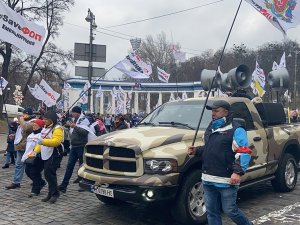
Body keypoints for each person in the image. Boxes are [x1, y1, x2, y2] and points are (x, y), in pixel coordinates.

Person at [188, 100, 253, 225]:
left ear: (226, 112)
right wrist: (196, 150)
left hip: (226, 180)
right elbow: (210, 148)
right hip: (207, 178)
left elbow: (244, 151)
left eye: (216, 111)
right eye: (212, 111)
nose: (213, 113)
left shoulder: (236, 129)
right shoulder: (210, 127)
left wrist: (237, 172)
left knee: (230, 211)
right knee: (212, 212)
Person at [32, 110, 64, 203]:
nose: (44, 121)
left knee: (50, 173)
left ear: (51, 119)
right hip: (46, 152)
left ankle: (55, 193)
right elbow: (40, 141)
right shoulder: (46, 128)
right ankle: (51, 193)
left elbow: (56, 142)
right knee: (47, 174)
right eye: (44, 119)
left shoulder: (57, 128)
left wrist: (43, 142)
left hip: (55, 153)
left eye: (46, 119)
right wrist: (35, 151)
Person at [58, 106, 89, 193]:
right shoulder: (74, 120)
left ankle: (83, 184)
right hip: (74, 146)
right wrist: (69, 126)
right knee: (69, 166)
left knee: (83, 166)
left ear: (77, 112)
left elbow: (84, 132)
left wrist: (75, 126)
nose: (72, 114)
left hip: (81, 146)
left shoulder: (84, 120)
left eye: (73, 112)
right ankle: (64, 185)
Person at [5, 108, 35, 190]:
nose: (23, 116)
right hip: (20, 146)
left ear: (30, 115)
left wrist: (21, 119)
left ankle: (37, 180)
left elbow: (26, 128)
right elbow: (22, 133)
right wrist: (14, 136)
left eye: (25, 114)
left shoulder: (33, 122)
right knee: (19, 165)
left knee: (30, 166)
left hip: (28, 147)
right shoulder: (23, 122)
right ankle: (16, 182)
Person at [21, 119, 46, 197]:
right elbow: (28, 147)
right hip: (29, 157)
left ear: (40, 126)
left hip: (38, 158)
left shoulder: (42, 135)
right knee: (27, 172)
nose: (34, 126)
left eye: (36, 125)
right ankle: (41, 182)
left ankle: (35, 190)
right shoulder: (30, 135)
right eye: (33, 125)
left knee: (34, 173)